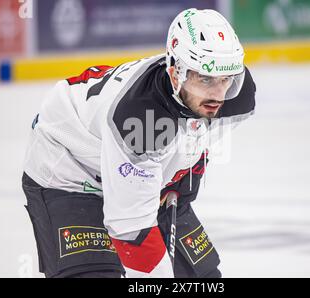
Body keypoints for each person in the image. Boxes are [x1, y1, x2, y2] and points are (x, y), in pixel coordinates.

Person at [22, 8, 256, 278]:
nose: (218, 94)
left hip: (129, 166)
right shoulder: (140, 118)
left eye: (226, 79)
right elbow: (131, 230)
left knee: (200, 279)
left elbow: (197, 136)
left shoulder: (236, 98)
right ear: (175, 72)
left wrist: (177, 181)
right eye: (205, 78)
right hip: (69, 172)